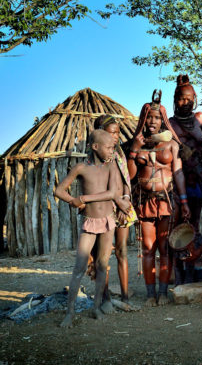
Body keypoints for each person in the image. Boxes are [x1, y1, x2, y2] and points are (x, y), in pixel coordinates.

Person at [127, 90, 191, 307]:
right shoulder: (137, 143)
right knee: (147, 247)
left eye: (157, 118)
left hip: (166, 201)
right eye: (149, 117)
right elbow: (131, 176)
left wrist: (183, 202)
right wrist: (134, 151)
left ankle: (163, 292)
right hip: (145, 202)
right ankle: (150, 294)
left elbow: (178, 173)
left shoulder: (172, 144)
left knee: (165, 247)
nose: (153, 121)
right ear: (143, 119)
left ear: (163, 120)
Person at [55, 130, 119, 327]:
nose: (111, 151)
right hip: (90, 222)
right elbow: (58, 190)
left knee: (102, 265)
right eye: (108, 147)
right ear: (95, 147)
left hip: (108, 220)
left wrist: (84, 198)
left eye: (113, 147)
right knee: (79, 267)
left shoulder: (111, 166)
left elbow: (112, 192)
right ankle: (70, 312)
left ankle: (96, 307)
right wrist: (73, 201)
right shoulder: (81, 168)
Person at [92, 115, 139, 312]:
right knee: (102, 256)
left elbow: (127, 181)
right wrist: (114, 205)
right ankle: (105, 298)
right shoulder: (94, 160)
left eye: (118, 132)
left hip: (123, 208)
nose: (116, 136)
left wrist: (125, 201)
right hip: (103, 210)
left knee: (122, 252)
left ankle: (126, 297)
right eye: (112, 132)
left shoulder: (120, 154)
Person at [169, 74, 202, 284]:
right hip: (176, 179)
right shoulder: (170, 124)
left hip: (197, 179)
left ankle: (191, 267)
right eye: (180, 99)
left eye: (188, 98)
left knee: (193, 224)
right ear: (175, 101)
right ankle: (177, 273)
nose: (185, 102)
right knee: (176, 225)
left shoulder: (201, 118)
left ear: (195, 97)